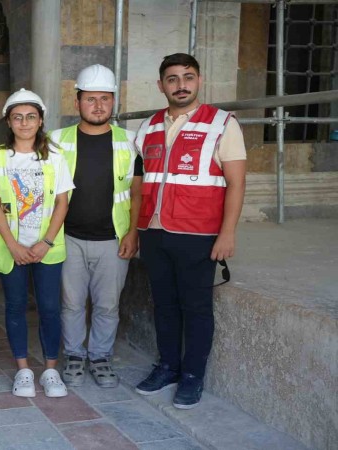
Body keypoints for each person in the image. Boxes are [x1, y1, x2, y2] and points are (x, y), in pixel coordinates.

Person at [134, 53, 246, 409]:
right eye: (172, 79)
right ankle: (168, 366)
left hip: (198, 234)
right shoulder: (149, 126)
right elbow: (139, 184)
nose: (180, 85)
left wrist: (227, 233)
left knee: (195, 307)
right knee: (164, 304)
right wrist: (135, 230)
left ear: (199, 80)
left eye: (188, 77)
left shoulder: (222, 123)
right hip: (154, 231)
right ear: (161, 85)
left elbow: (237, 183)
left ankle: (193, 375)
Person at [49, 64, 143, 389]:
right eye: (91, 99)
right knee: (71, 303)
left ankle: (100, 357)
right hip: (68, 238)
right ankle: (75, 355)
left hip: (112, 238)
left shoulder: (129, 141)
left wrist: (132, 232)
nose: (98, 105)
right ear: (77, 101)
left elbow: (137, 192)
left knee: (107, 305)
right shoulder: (56, 140)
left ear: (114, 101)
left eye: (105, 98)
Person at [0, 89, 74, 398]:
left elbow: (62, 203)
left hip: (47, 248)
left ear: (40, 120)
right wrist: (13, 245)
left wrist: (46, 241)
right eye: (17, 117)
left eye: (31, 116)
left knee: (49, 307)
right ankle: (23, 370)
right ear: (8, 121)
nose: (24, 122)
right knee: (15, 306)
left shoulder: (55, 156)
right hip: (12, 249)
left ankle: (50, 370)